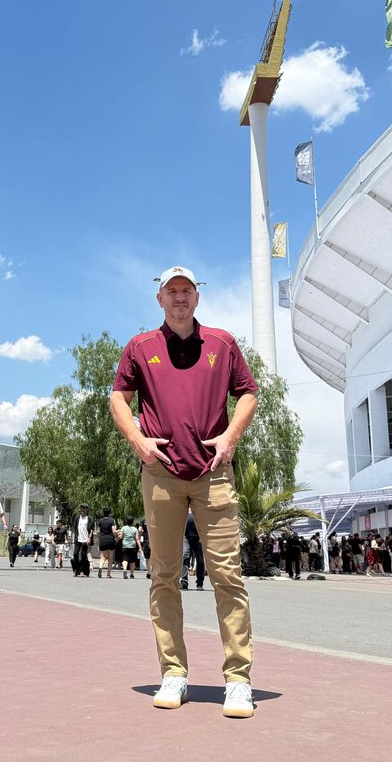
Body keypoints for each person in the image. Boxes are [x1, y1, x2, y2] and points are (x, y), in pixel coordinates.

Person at [110, 265, 259, 718]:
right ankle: (173, 673)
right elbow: (118, 397)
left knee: (227, 575)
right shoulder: (140, 347)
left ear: (197, 297)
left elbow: (248, 393)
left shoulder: (222, 343)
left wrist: (231, 437)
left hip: (214, 473)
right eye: (171, 291)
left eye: (186, 290)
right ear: (160, 299)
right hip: (161, 474)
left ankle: (238, 680)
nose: (179, 297)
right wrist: (138, 440)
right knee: (164, 575)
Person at [182, 510, 205, 590]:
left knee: (200, 560)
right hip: (186, 536)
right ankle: (184, 581)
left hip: (198, 537)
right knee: (184, 556)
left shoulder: (199, 507)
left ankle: (200, 583)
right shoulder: (184, 507)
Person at [96, 508, 118, 578]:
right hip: (110, 540)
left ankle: (100, 567)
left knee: (102, 557)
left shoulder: (100, 521)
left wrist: (99, 540)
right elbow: (114, 531)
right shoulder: (112, 520)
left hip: (103, 540)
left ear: (103, 513)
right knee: (110, 558)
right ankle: (108, 574)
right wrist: (116, 535)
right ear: (109, 513)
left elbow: (98, 532)